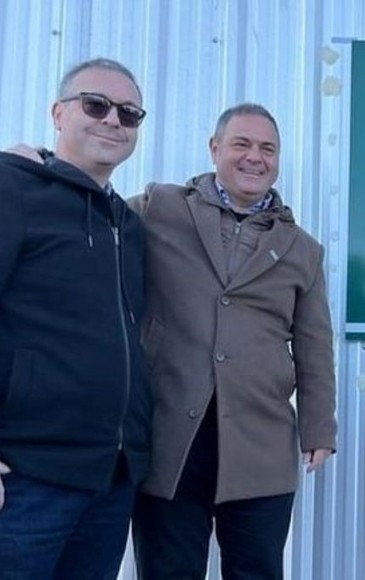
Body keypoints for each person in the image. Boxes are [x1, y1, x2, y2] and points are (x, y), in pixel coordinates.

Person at [128, 103, 337, 579]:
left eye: (267, 148)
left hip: (260, 444)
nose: (254, 158)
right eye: (241, 144)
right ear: (215, 148)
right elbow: (97, 216)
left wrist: (319, 426)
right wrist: (41, 165)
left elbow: (314, 345)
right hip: (171, 442)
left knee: (256, 571)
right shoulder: (160, 207)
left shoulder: (302, 249)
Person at [0, 58, 151, 579]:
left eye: (129, 113)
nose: (113, 120)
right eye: (96, 105)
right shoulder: (12, 188)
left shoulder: (129, 226)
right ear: (59, 113)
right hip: (27, 480)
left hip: (110, 480)